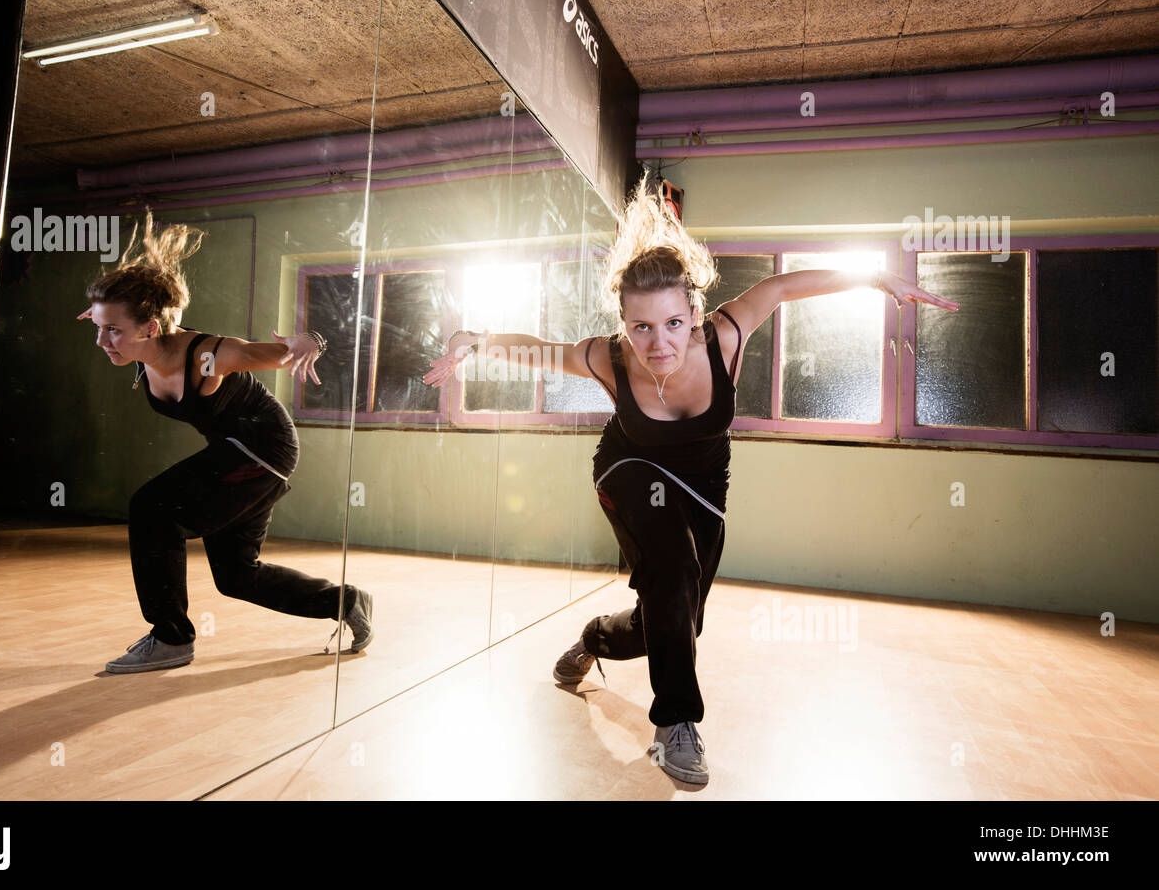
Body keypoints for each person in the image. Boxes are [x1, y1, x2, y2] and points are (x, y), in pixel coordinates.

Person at [425, 171, 958, 783]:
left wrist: (870, 276)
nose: (658, 344)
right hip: (628, 467)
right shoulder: (609, 358)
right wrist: (476, 340)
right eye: (641, 327)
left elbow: (781, 287)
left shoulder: (728, 335)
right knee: (671, 573)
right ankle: (676, 723)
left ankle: (595, 639)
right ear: (624, 324)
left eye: (673, 324)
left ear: (696, 313)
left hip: (704, 486)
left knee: (674, 618)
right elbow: (542, 350)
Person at [77, 210, 373, 673]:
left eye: (111, 330)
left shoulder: (211, 356)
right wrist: (110, 318)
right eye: (97, 327)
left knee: (153, 508)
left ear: (152, 327)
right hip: (233, 452)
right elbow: (124, 321)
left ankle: (171, 638)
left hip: (263, 449)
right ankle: (345, 601)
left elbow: (290, 351)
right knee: (237, 576)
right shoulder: (139, 339)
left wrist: (311, 338)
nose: (101, 340)